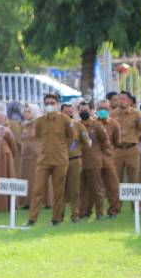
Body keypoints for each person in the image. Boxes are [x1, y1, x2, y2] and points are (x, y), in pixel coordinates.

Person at [26, 94, 74, 227]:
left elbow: (71, 138)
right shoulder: (40, 121)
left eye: (52, 102)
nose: (50, 105)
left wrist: (62, 150)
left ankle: (57, 219)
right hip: (44, 159)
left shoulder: (65, 120)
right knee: (37, 189)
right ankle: (32, 219)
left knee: (59, 191)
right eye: (47, 103)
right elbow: (37, 136)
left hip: (60, 160)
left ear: (58, 104)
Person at [78, 101, 110, 219]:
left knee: (97, 188)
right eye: (81, 110)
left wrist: (96, 152)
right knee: (81, 188)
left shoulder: (97, 125)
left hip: (94, 161)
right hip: (80, 161)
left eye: (86, 110)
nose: (83, 112)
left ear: (91, 111)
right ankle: (83, 212)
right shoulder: (76, 125)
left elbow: (105, 142)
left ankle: (100, 212)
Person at [62, 103, 90, 222]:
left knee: (74, 189)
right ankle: (58, 215)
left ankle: (75, 214)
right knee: (59, 189)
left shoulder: (78, 126)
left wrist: (75, 148)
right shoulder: (55, 127)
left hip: (74, 160)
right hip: (59, 161)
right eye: (66, 112)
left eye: (70, 112)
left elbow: (87, 142)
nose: (68, 114)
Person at [114, 91, 141, 191]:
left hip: (132, 149)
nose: (121, 101)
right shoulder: (112, 115)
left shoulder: (137, 114)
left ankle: (137, 205)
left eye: (124, 99)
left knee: (135, 177)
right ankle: (116, 206)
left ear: (129, 101)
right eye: (119, 98)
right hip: (117, 149)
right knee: (115, 178)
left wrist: (135, 141)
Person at [0, 110, 18, 213]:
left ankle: (5, 204)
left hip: (4, 156)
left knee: (4, 179)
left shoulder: (6, 130)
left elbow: (13, 144)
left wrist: (11, 154)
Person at [96, 100, 121, 218]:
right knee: (92, 187)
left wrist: (110, 153)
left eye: (106, 109)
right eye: (100, 108)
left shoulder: (115, 124)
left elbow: (116, 142)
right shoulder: (92, 123)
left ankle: (113, 210)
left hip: (108, 158)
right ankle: (92, 211)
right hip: (93, 159)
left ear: (110, 110)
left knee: (112, 186)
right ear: (96, 109)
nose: (103, 111)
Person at [18, 104, 41, 208]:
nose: (26, 113)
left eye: (29, 111)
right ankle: (25, 201)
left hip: (36, 154)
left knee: (35, 178)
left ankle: (36, 201)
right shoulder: (23, 124)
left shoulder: (39, 123)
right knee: (25, 177)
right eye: (25, 111)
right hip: (25, 155)